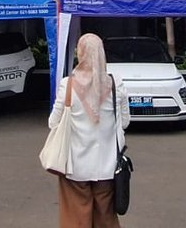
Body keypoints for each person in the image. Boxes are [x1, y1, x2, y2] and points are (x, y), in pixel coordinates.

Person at [48, 33, 131, 228]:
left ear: (81, 53)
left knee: (75, 219)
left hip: (74, 167)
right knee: (105, 219)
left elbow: (53, 123)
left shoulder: (67, 85)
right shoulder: (116, 84)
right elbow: (125, 121)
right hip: (107, 166)